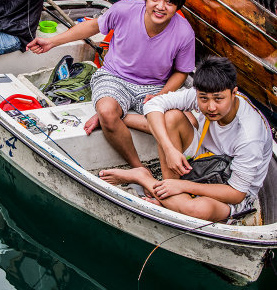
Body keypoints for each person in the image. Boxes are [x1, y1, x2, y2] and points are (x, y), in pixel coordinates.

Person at [27, 0, 195, 168]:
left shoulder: (184, 32)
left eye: (169, 2)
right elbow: (91, 27)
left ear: (177, 7)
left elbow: (182, 72)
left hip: (154, 87)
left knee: (189, 123)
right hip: (114, 77)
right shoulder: (124, 10)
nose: (160, 7)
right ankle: (138, 168)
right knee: (108, 112)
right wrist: (52, 42)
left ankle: (120, 115)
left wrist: (162, 94)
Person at [99, 57, 273, 221]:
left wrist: (183, 187)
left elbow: (237, 193)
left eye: (219, 99)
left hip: (230, 187)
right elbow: (154, 104)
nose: (211, 107)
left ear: (234, 93)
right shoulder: (202, 95)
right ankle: (169, 188)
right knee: (171, 117)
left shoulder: (250, 136)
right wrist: (169, 149)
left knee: (199, 210)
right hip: (203, 159)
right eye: (203, 98)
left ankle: (144, 178)